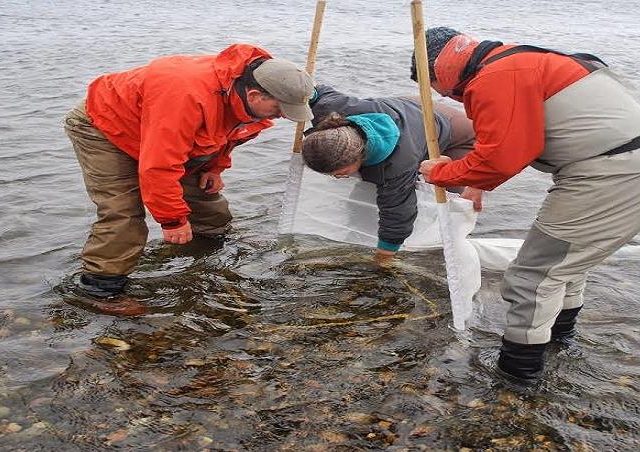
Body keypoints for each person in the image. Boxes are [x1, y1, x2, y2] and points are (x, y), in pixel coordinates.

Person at [413, 27, 640, 383]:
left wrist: (442, 173)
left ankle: (518, 374)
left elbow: (499, 161)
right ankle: (560, 343)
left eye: (436, 87)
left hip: (618, 172)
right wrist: (475, 179)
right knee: (565, 265)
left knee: (532, 276)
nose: (446, 96)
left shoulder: (495, 77)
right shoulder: (524, 60)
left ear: (441, 71)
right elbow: (507, 142)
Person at [64, 44, 315, 303]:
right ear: (254, 95)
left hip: (163, 133)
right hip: (105, 127)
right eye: (279, 109)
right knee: (124, 212)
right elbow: (159, 166)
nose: (282, 117)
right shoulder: (187, 96)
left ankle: (209, 246)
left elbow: (227, 131)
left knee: (207, 200)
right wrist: (172, 221)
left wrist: (214, 167)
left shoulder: (247, 92)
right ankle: (100, 290)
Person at [302, 85, 482, 265]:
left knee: (447, 204)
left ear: (360, 155)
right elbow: (312, 90)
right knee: (363, 199)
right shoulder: (331, 112)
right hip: (408, 107)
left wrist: (383, 259)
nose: (338, 178)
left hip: (455, 130)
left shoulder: (397, 164)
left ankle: (440, 253)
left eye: (340, 174)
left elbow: (398, 215)